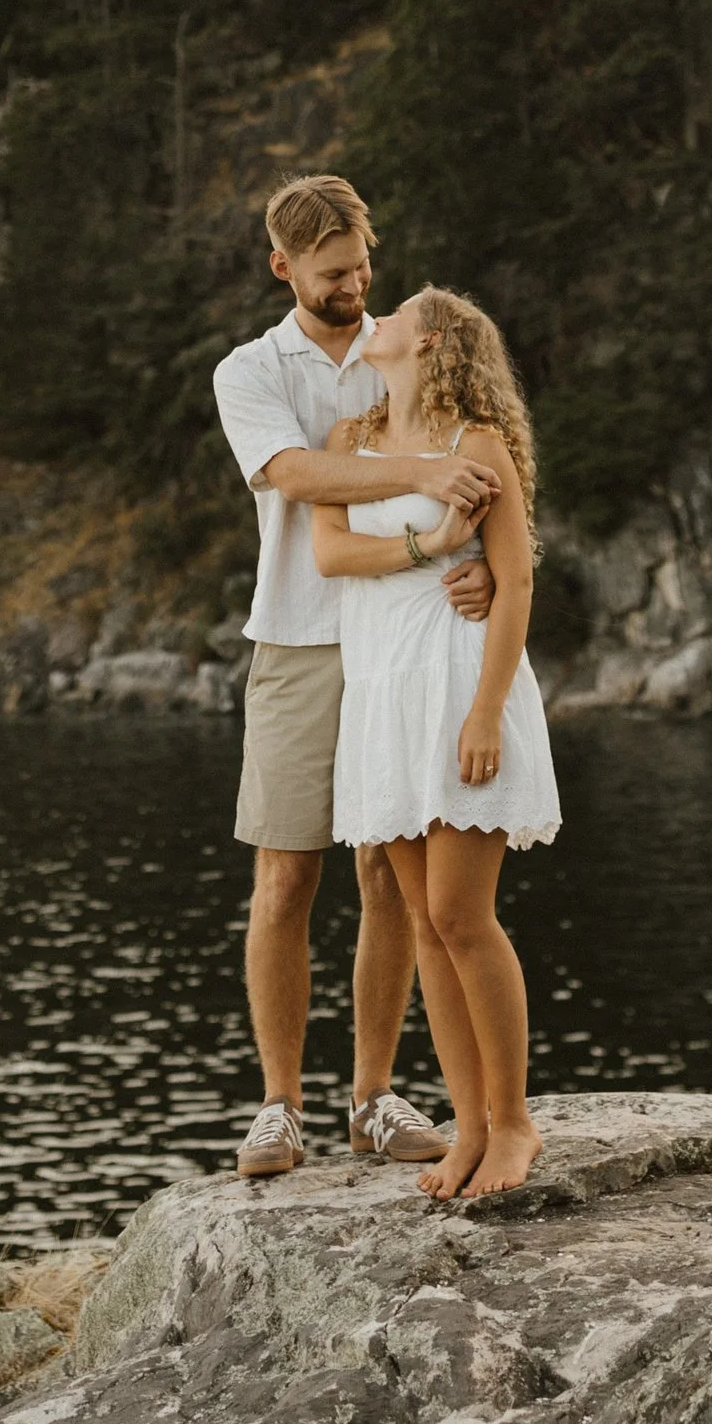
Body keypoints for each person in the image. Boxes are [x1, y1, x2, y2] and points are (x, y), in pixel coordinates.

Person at [211, 175, 501, 1182]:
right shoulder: (248, 371)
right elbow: (294, 478)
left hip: (405, 639)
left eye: (363, 264)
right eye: (333, 272)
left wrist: (476, 567)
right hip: (297, 640)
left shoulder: (406, 348)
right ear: (282, 267)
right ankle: (278, 1108)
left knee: (390, 873)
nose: (355, 284)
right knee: (287, 873)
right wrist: (423, 488)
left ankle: (371, 1099)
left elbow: (480, 461)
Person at [310, 285, 556, 1201]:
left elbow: (517, 581)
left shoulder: (475, 445)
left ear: (436, 339)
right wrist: (430, 546)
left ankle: (516, 1124)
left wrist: (487, 710)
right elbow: (330, 557)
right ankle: (471, 1128)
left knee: (461, 915)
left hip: (457, 686)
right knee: (423, 925)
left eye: (402, 309)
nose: (381, 314)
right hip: (384, 698)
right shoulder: (350, 446)